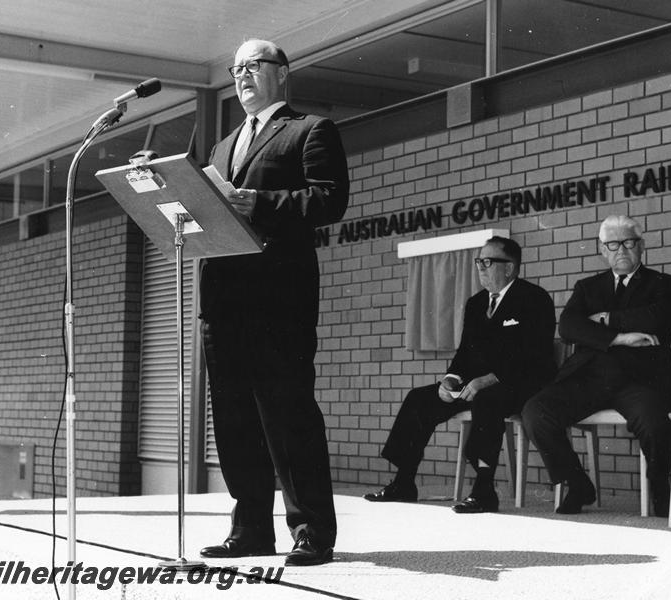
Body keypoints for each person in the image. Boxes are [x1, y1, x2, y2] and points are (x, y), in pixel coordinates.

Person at [198, 39, 349, 566]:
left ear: (282, 74)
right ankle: (251, 528)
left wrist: (260, 202)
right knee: (234, 420)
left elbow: (329, 199)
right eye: (235, 69)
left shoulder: (310, 130)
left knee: (289, 417)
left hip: (277, 302)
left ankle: (311, 530)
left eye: (253, 66)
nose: (242, 76)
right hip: (223, 300)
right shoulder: (222, 148)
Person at [364, 236, 556, 513]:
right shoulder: (476, 303)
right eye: (479, 261)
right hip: (476, 385)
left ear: (510, 268)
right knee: (420, 399)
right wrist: (451, 378)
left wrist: (488, 379)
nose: (480, 267)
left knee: (488, 399)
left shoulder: (534, 298)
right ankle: (403, 481)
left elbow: (534, 354)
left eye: (487, 262)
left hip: (522, 385)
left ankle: (484, 489)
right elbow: (465, 352)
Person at [522, 215, 671, 517]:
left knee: (655, 423)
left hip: (639, 380)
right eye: (613, 244)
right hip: (590, 378)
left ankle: (660, 491)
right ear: (602, 250)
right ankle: (578, 484)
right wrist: (619, 338)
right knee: (536, 412)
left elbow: (656, 318)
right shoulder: (587, 287)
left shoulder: (663, 284)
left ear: (641, 246)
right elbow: (568, 326)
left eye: (628, 242)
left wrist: (605, 318)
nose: (621, 250)